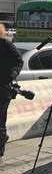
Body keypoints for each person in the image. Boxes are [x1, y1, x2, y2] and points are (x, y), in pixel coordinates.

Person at [0, 24, 23, 158]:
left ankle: (0, 150)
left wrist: (10, 75)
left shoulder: (5, 44)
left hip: (2, 89)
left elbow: (18, 61)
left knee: (0, 121)